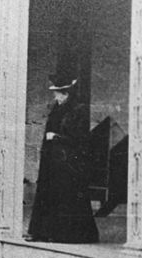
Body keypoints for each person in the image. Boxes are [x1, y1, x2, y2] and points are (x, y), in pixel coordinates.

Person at [25, 75, 99, 244]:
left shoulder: (78, 111)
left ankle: (64, 235)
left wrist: (57, 138)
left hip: (69, 164)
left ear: (66, 94)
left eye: (58, 94)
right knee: (48, 195)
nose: (56, 97)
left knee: (66, 197)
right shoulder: (56, 110)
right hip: (52, 161)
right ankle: (42, 232)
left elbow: (80, 139)